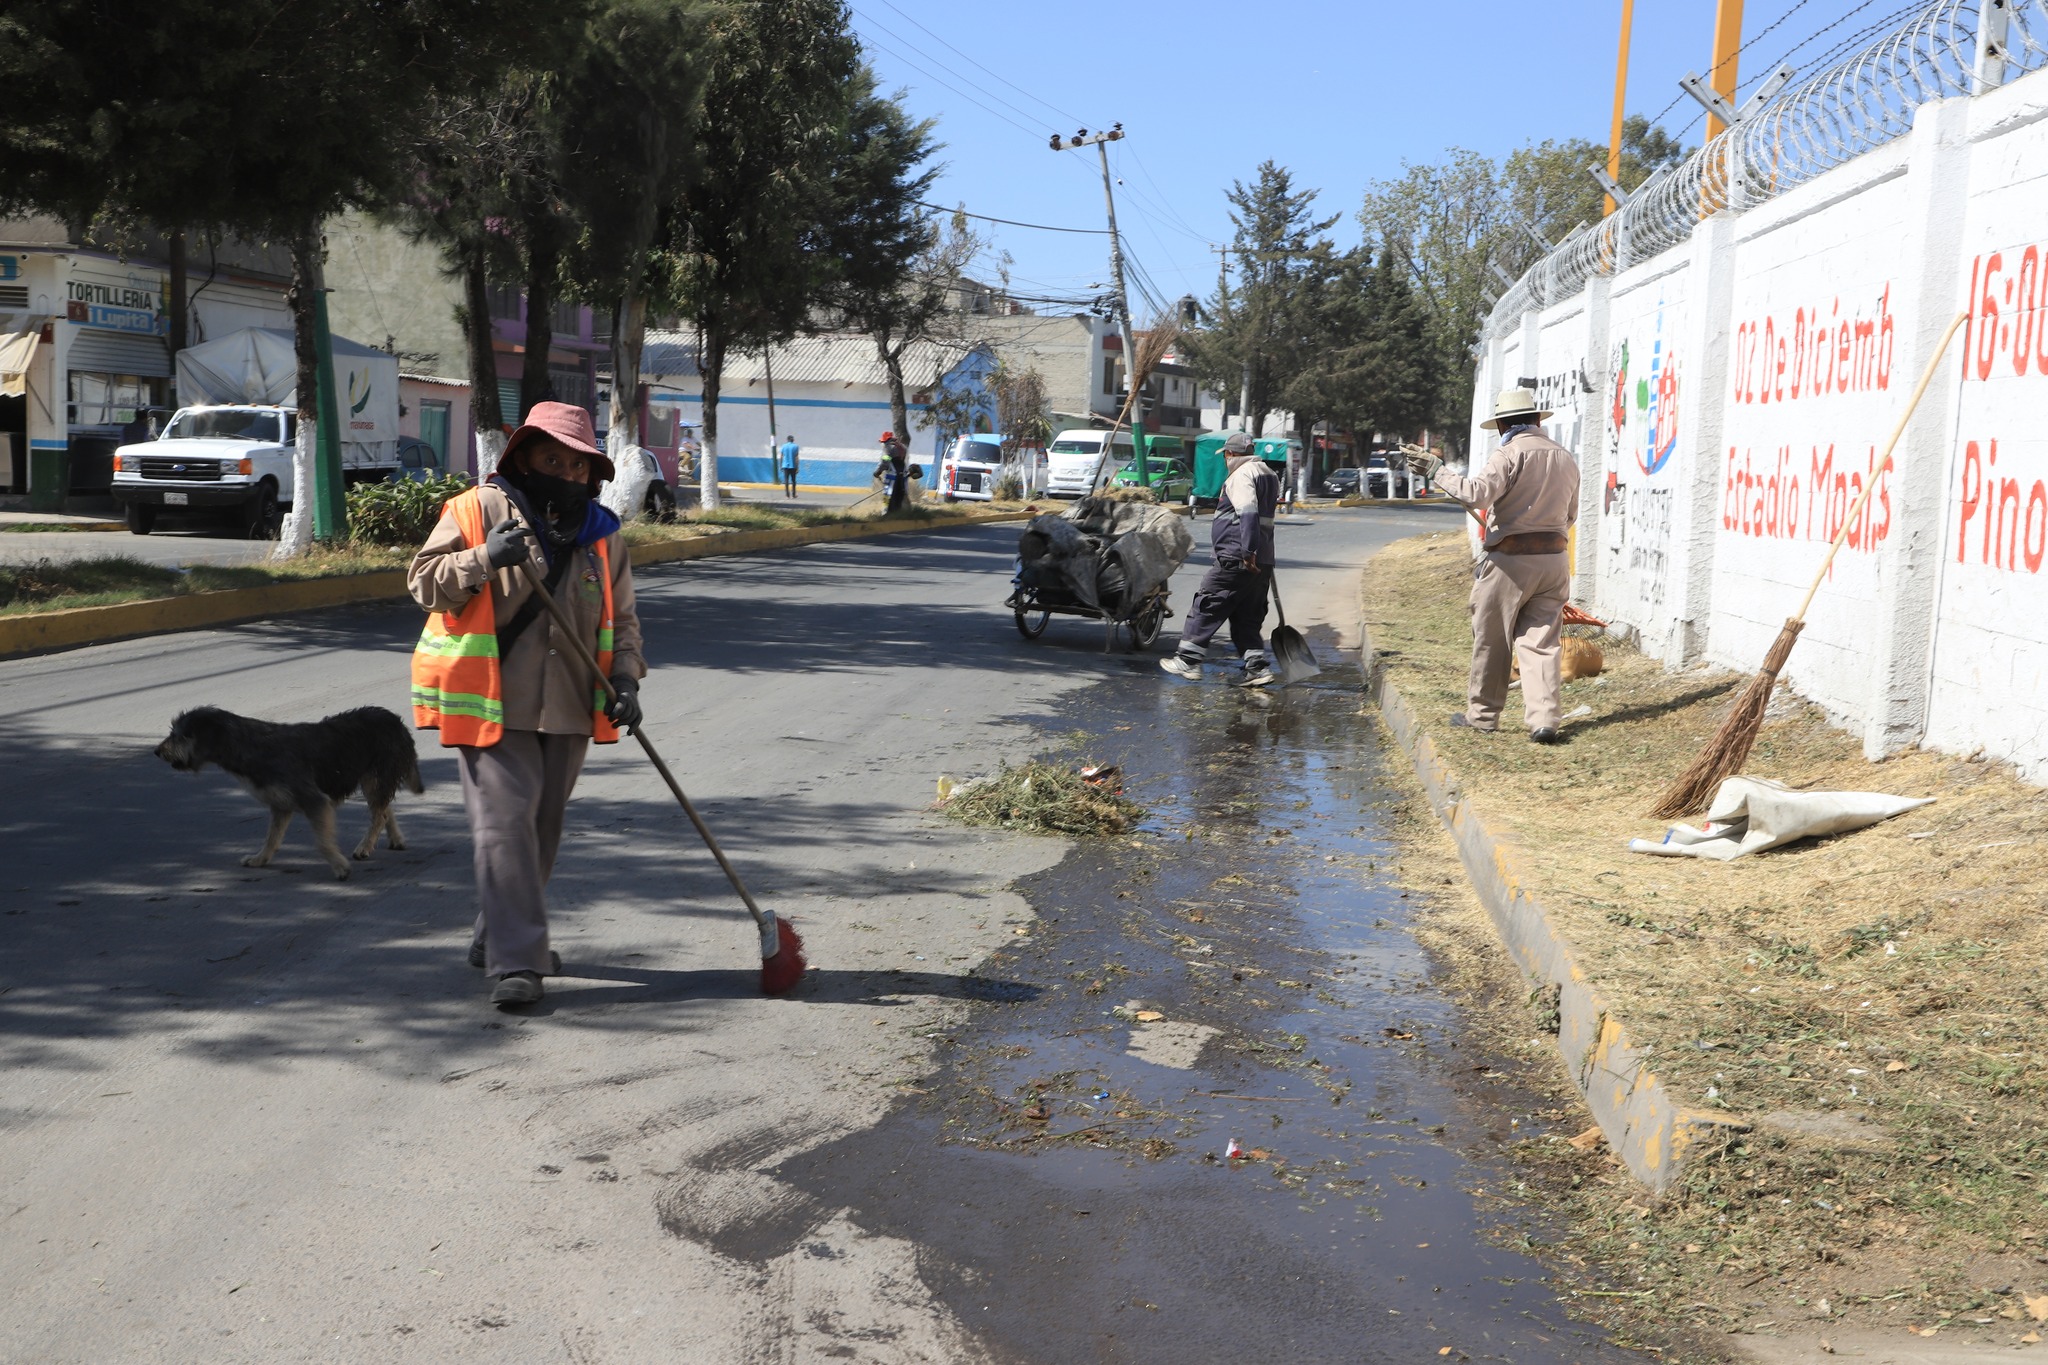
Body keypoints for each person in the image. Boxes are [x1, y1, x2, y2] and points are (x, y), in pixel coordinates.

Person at [407, 401, 647, 1007]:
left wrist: (626, 681)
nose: (564, 475)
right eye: (551, 461)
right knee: (504, 823)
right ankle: (519, 961)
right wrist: (484, 557)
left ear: (592, 476)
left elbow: (624, 620)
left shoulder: (601, 536)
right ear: (523, 458)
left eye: (577, 467)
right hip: (489, 698)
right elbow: (422, 581)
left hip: (569, 700)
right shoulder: (476, 509)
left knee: (540, 829)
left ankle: (496, 937)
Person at [1406, 386, 1579, 744]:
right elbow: (1571, 515)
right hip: (1554, 561)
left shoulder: (1509, 453)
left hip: (1510, 564)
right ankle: (1544, 720)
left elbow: (1476, 494)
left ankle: (1483, 716)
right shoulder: (1565, 457)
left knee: (1493, 639)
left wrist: (1438, 471)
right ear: (1535, 420)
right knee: (1542, 643)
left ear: (1503, 425)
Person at [1161, 432, 1279, 686]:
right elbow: (1264, 520)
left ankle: (1188, 661)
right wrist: (1261, 554)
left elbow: (1248, 513)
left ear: (1232, 454)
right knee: (1247, 614)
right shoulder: (1269, 474)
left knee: (1208, 603)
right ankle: (1257, 668)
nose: (1225, 459)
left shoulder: (1242, 475)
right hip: (1263, 559)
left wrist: (1248, 552)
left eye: (1226, 454)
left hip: (1238, 556)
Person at [876, 431, 909, 513]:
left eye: (883, 441)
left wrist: (878, 472)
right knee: (899, 495)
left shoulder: (888, 448)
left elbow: (885, 462)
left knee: (887, 496)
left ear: (886, 441)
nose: (882, 443)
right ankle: (897, 513)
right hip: (902, 476)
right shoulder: (902, 447)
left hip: (892, 475)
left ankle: (885, 513)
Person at [778, 433, 800, 498]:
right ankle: (794, 494)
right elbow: (796, 457)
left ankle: (787, 494)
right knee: (793, 481)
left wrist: (781, 465)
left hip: (785, 465)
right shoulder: (796, 446)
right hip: (793, 466)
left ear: (787, 440)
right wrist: (797, 466)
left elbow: (781, 456)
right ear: (793, 440)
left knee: (786, 480)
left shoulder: (783, 446)